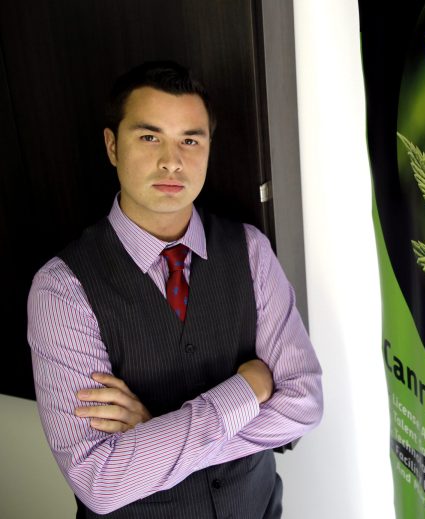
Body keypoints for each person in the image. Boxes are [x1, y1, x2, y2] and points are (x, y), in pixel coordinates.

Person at [27, 61, 323, 518]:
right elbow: (99, 481)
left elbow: (303, 402)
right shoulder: (61, 290)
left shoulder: (250, 250)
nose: (172, 160)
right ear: (112, 146)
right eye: (149, 138)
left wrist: (155, 433)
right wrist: (245, 390)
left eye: (190, 139)